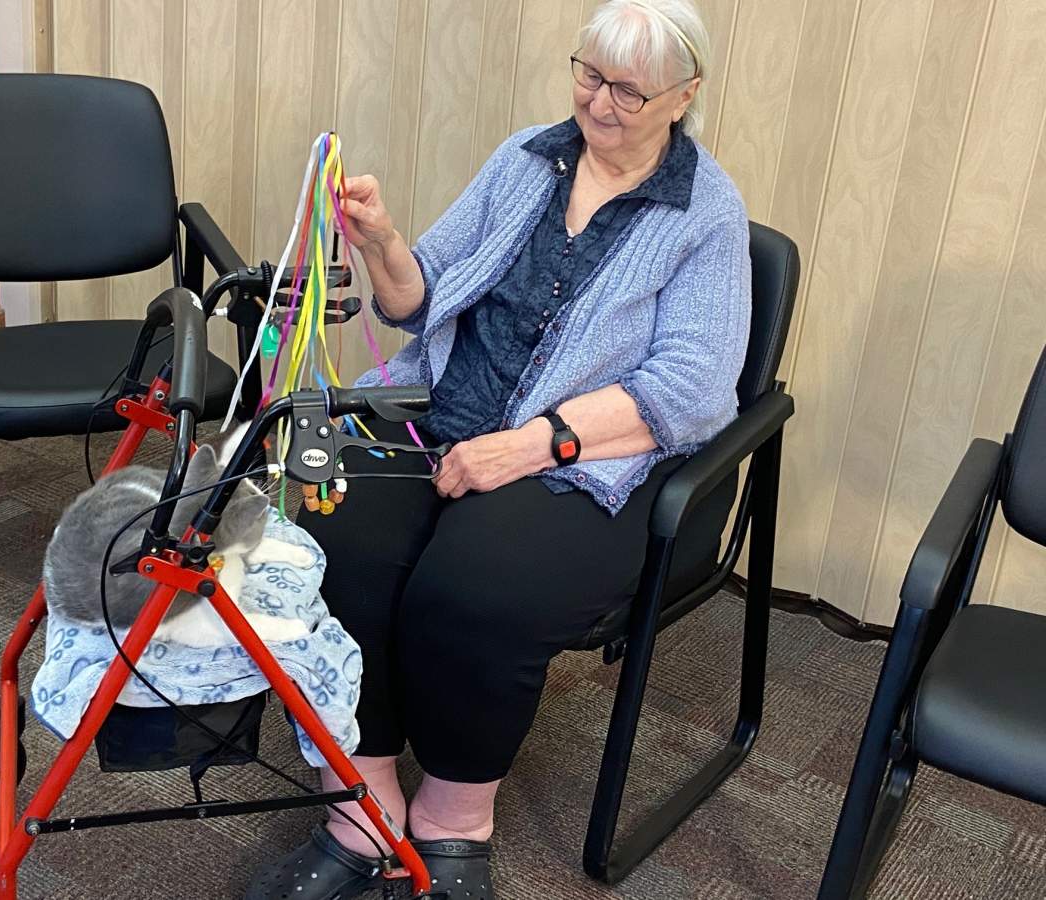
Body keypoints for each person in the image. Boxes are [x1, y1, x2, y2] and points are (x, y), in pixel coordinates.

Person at [246, 1, 750, 897]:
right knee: (320, 540)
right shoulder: (526, 157)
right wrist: (384, 243)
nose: (598, 104)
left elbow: (695, 390)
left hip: (578, 460)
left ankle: (452, 819)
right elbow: (418, 297)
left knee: (470, 597)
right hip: (439, 412)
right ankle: (360, 811)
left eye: (628, 91)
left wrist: (530, 446)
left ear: (685, 96)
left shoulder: (707, 213)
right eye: (588, 76)